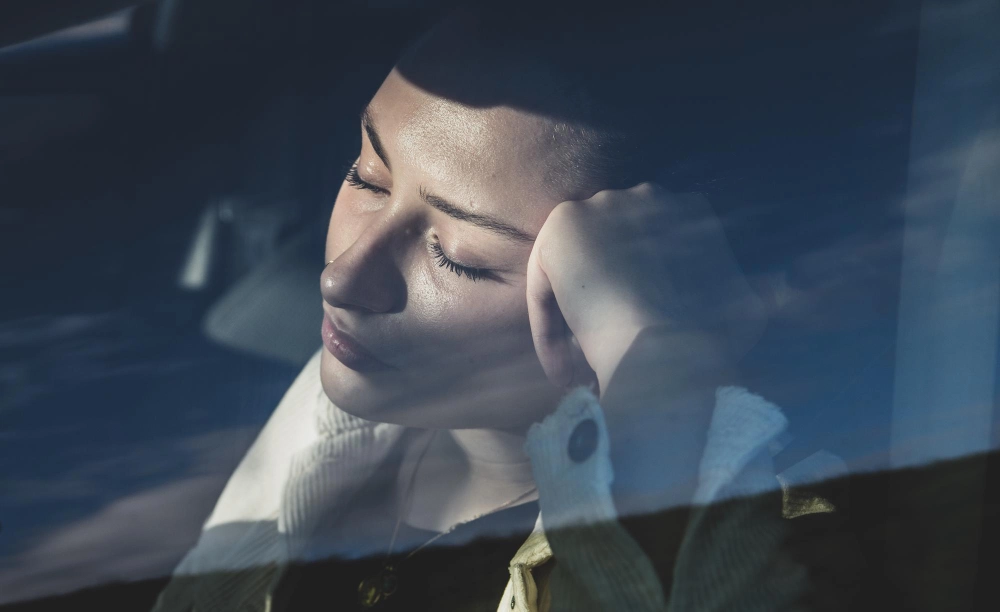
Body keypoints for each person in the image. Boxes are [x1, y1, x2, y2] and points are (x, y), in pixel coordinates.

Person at [152, 3, 860, 611]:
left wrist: (655, 358)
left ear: (639, 280)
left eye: (458, 255)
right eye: (367, 176)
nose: (341, 278)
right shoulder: (329, 411)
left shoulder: (789, 540)